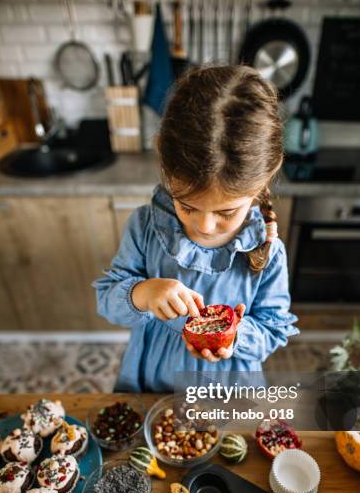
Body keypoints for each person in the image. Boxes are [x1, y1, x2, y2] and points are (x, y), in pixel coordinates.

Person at [93, 65, 299, 393]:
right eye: (186, 206)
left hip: (227, 387)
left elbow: (272, 333)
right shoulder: (145, 227)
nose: (204, 225)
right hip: (154, 380)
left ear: (259, 187)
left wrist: (234, 333)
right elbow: (106, 301)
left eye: (226, 212)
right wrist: (143, 293)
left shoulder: (268, 249)